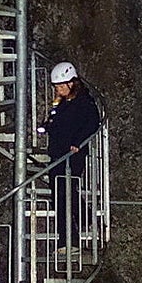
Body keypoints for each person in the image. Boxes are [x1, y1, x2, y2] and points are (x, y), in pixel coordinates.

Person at [40, 61, 100, 258]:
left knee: (63, 196)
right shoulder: (62, 104)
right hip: (57, 155)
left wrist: (78, 141)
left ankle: (69, 241)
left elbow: (93, 122)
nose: (58, 90)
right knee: (62, 193)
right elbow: (56, 124)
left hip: (71, 155)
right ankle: (85, 218)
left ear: (72, 83)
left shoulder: (84, 102)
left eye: (61, 86)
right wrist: (46, 126)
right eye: (57, 87)